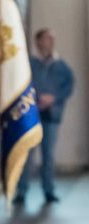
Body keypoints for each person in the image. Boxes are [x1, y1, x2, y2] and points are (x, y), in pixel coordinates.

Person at [16, 27, 75, 204]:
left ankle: (48, 190)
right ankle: (22, 190)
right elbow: (22, 85)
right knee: (27, 154)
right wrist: (36, 98)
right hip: (32, 115)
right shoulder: (29, 64)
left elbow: (69, 86)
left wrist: (54, 98)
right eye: (46, 38)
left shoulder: (61, 66)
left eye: (52, 39)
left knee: (48, 155)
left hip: (52, 116)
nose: (50, 42)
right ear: (38, 41)